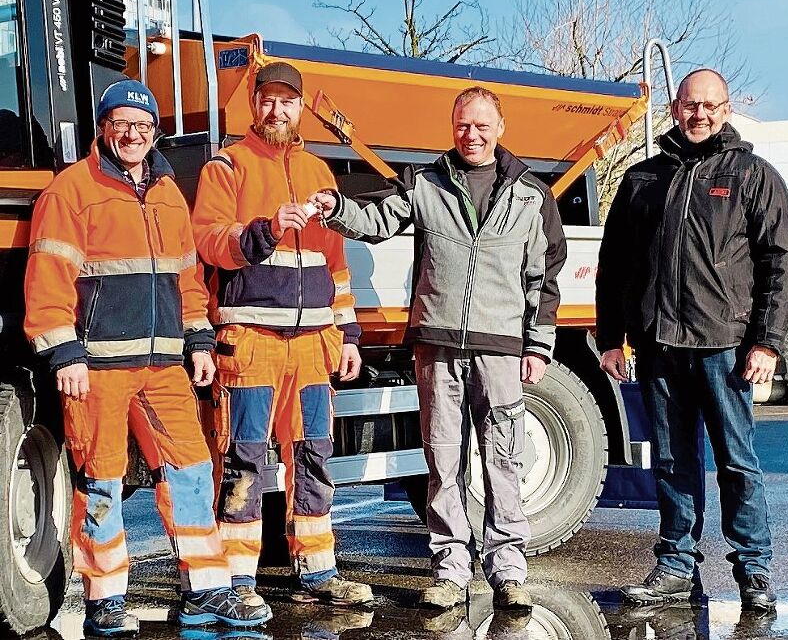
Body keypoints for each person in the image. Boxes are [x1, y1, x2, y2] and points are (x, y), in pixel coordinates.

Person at [23, 79, 272, 636]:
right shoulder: (71, 191)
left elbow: (188, 278)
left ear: (154, 131)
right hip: (97, 368)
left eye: (143, 125)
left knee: (192, 471)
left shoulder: (166, 192)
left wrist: (200, 341)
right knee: (102, 482)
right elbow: (48, 279)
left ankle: (208, 590)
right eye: (122, 124)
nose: (133, 134)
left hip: (164, 368)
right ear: (103, 129)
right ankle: (105, 599)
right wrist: (63, 353)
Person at [310, 86, 567, 610]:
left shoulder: (531, 196)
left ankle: (508, 572)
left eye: (480, 125)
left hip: (500, 349)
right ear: (452, 129)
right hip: (436, 346)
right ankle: (450, 570)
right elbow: (376, 222)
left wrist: (538, 346)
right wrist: (336, 207)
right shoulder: (425, 183)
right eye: (461, 126)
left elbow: (544, 279)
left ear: (501, 128)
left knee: (503, 459)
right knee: (442, 460)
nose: (470, 135)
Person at [596, 68, 788, 612]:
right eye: (690, 105)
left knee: (737, 462)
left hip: (726, 348)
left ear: (725, 110)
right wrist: (612, 337)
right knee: (670, 461)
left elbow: (781, 262)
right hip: (660, 346)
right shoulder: (642, 180)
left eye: (710, 105)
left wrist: (768, 342)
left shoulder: (753, 176)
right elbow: (613, 267)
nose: (700, 114)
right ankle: (675, 565)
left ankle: (754, 570)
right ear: (675, 107)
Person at [192, 62, 373, 607]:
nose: (277, 110)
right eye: (267, 100)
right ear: (254, 105)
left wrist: (349, 336)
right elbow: (209, 243)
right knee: (245, 455)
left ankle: (318, 570)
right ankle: (238, 579)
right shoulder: (227, 167)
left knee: (314, 453)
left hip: (316, 345)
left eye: (286, 101)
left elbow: (336, 265)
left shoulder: (321, 172)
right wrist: (266, 230)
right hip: (250, 342)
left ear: (299, 108)